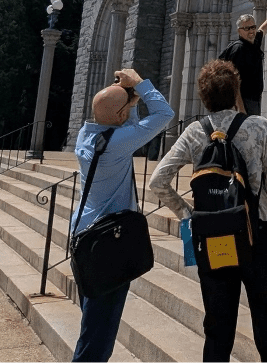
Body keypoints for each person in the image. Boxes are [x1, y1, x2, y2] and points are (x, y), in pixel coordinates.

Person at [149, 60, 267, 363]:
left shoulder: (193, 132)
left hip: (214, 237)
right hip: (257, 233)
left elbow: (157, 181)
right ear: (236, 90)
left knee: (218, 326)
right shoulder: (259, 126)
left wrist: (189, 216)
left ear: (203, 96)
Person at [71, 67, 175, 363]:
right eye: (129, 107)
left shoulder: (85, 137)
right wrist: (140, 84)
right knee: (97, 337)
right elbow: (164, 113)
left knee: (93, 321)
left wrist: (125, 97)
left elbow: (120, 118)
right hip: (106, 244)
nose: (133, 108)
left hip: (84, 237)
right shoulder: (117, 145)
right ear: (120, 117)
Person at [218, 0, 267, 116]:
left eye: (253, 27)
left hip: (253, 100)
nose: (251, 31)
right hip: (242, 102)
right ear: (239, 31)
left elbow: (263, 29)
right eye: (247, 28)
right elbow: (234, 81)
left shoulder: (252, 42)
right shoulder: (239, 49)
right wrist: (241, 108)